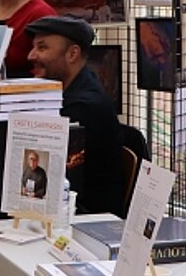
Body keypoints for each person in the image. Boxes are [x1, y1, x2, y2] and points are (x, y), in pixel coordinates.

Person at [25, 15, 124, 215]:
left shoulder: (84, 107)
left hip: (84, 218)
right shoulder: (72, 91)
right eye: (34, 47)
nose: (31, 56)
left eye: (42, 48)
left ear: (72, 54)